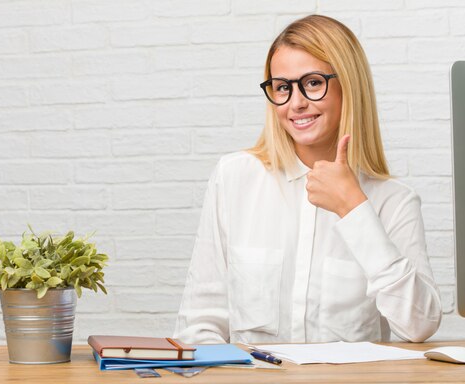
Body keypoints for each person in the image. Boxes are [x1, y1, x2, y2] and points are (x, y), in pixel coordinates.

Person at [173, 14, 442, 345]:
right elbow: (199, 324)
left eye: (313, 83)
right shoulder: (234, 178)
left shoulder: (394, 200)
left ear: (350, 86)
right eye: (282, 87)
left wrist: (354, 209)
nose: (296, 103)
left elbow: (419, 326)